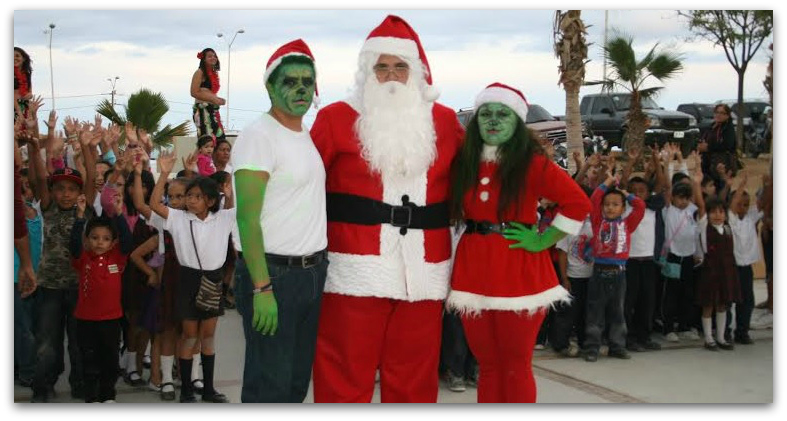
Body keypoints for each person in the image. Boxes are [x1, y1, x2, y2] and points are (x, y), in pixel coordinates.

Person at [309, 16, 464, 403]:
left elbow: (480, 177)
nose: (391, 76)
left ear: (416, 71)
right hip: (353, 271)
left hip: (424, 273)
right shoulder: (335, 118)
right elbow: (302, 189)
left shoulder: (445, 122)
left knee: (415, 378)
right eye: (382, 67)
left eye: (400, 66)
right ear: (367, 71)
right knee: (344, 373)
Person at [447, 83, 591, 402]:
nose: (493, 120)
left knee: (515, 365)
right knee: (488, 365)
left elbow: (577, 203)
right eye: (486, 114)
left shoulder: (531, 164)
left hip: (518, 271)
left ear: (517, 121)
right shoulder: (465, 163)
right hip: (473, 271)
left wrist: (543, 240)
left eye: (503, 114)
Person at [231, 39, 327, 403]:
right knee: (268, 389)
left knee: (294, 386)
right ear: (270, 87)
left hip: (311, 275)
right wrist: (262, 288)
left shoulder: (304, 135)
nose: (301, 89)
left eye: (307, 81)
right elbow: (246, 219)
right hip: (273, 276)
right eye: (290, 81)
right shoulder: (259, 136)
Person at [149, 151, 234, 403]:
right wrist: (164, 174)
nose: (190, 200)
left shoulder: (222, 218)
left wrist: (229, 194)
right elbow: (154, 205)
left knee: (207, 336)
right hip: (188, 279)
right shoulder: (178, 218)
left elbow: (235, 209)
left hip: (213, 279)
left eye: (197, 196)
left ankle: (208, 389)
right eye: (189, 196)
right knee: (189, 336)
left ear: (210, 200)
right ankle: (186, 389)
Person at [28, 125, 98, 403]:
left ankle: (79, 384)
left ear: (79, 192)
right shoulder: (48, 207)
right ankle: (43, 385)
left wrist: (88, 147)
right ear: (52, 192)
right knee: (47, 342)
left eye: (71, 189)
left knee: (79, 341)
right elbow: (37, 178)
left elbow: (91, 175)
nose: (66, 194)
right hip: (49, 287)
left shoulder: (85, 207)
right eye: (60, 189)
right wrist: (35, 148)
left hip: (79, 287)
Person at [70, 193, 133, 402]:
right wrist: (80, 218)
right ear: (87, 240)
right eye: (95, 238)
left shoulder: (117, 257)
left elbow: (127, 240)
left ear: (113, 243)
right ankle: (91, 397)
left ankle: (108, 395)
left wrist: (118, 213)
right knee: (88, 360)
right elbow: (74, 245)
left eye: (106, 239)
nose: (99, 242)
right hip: (85, 320)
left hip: (111, 320)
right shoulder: (83, 258)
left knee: (110, 360)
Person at [583, 170, 645, 362]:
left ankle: (617, 346)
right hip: (599, 272)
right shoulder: (597, 221)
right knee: (595, 311)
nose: (610, 208)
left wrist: (626, 193)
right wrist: (607, 182)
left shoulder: (627, 224)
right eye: (607, 204)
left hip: (619, 274)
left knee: (618, 311)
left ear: (623, 208)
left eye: (615, 204)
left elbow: (640, 206)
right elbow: (594, 199)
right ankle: (592, 347)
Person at [620, 148, 667, 352]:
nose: (638, 194)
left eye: (642, 191)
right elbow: (623, 183)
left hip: (648, 260)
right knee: (628, 300)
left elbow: (661, 184)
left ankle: (644, 336)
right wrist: (630, 163)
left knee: (647, 301)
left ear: (648, 193)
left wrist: (656, 160)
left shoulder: (652, 207)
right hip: (629, 260)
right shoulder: (628, 207)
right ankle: (628, 338)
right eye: (634, 191)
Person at [660, 155, 704, 343]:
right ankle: (669, 328)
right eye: (680, 198)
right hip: (673, 256)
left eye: (686, 198)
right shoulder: (669, 211)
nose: (683, 201)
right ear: (673, 198)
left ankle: (685, 326)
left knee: (688, 293)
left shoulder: (691, 210)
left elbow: (692, 190)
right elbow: (668, 187)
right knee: (671, 294)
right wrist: (669, 165)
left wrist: (689, 166)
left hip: (688, 258)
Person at [694, 195, 738, 351]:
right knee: (708, 304)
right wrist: (697, 185)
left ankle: (720, 337)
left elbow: (733, 204)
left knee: (722, 304)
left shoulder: (728, 227)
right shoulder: (704, 226)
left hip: (726, 271)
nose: (718, 215)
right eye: (713, 212)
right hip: (710, 271)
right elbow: (701, 205)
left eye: (721, 211)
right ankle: (708, 338)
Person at [725, 172, 761, 344]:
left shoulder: (750, 218)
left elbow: (763, 205)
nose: (743, 208)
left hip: (746, 267)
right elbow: (733, 205)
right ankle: (725, 331)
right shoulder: (730, 219)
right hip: (732, 266)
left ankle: (742, 331)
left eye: (746, 205)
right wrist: (740, 186)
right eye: (739, 204)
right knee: (728, 300)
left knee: (747, 301)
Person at [698, 104, 737, 190]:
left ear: (727, 115)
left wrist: (708, 147)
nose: (718, 115)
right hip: (708, 164)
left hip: (721, 165)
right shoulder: (711, 126)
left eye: (722, 113)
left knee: (721, 190)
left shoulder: (728, 128)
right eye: (717, 112)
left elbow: (727, 145)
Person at [191, 48, 226, 141]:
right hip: (203, 109)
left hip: (212, 109)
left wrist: (218, 99)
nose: (213, 58)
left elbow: (209, 93)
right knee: (207, 140)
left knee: (219, 139)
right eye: (210, 56)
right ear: (204, 59)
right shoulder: (199, 72)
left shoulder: (213, 73)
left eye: (214, 56)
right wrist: (214, 99)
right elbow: (194, 92)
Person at [14, 47, 33, 122]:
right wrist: (19, 113)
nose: (14, 58)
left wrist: (29, 95)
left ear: (24, 59)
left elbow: (30, 93)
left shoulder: (27, 74)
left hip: (25, 107)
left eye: (17, 56)